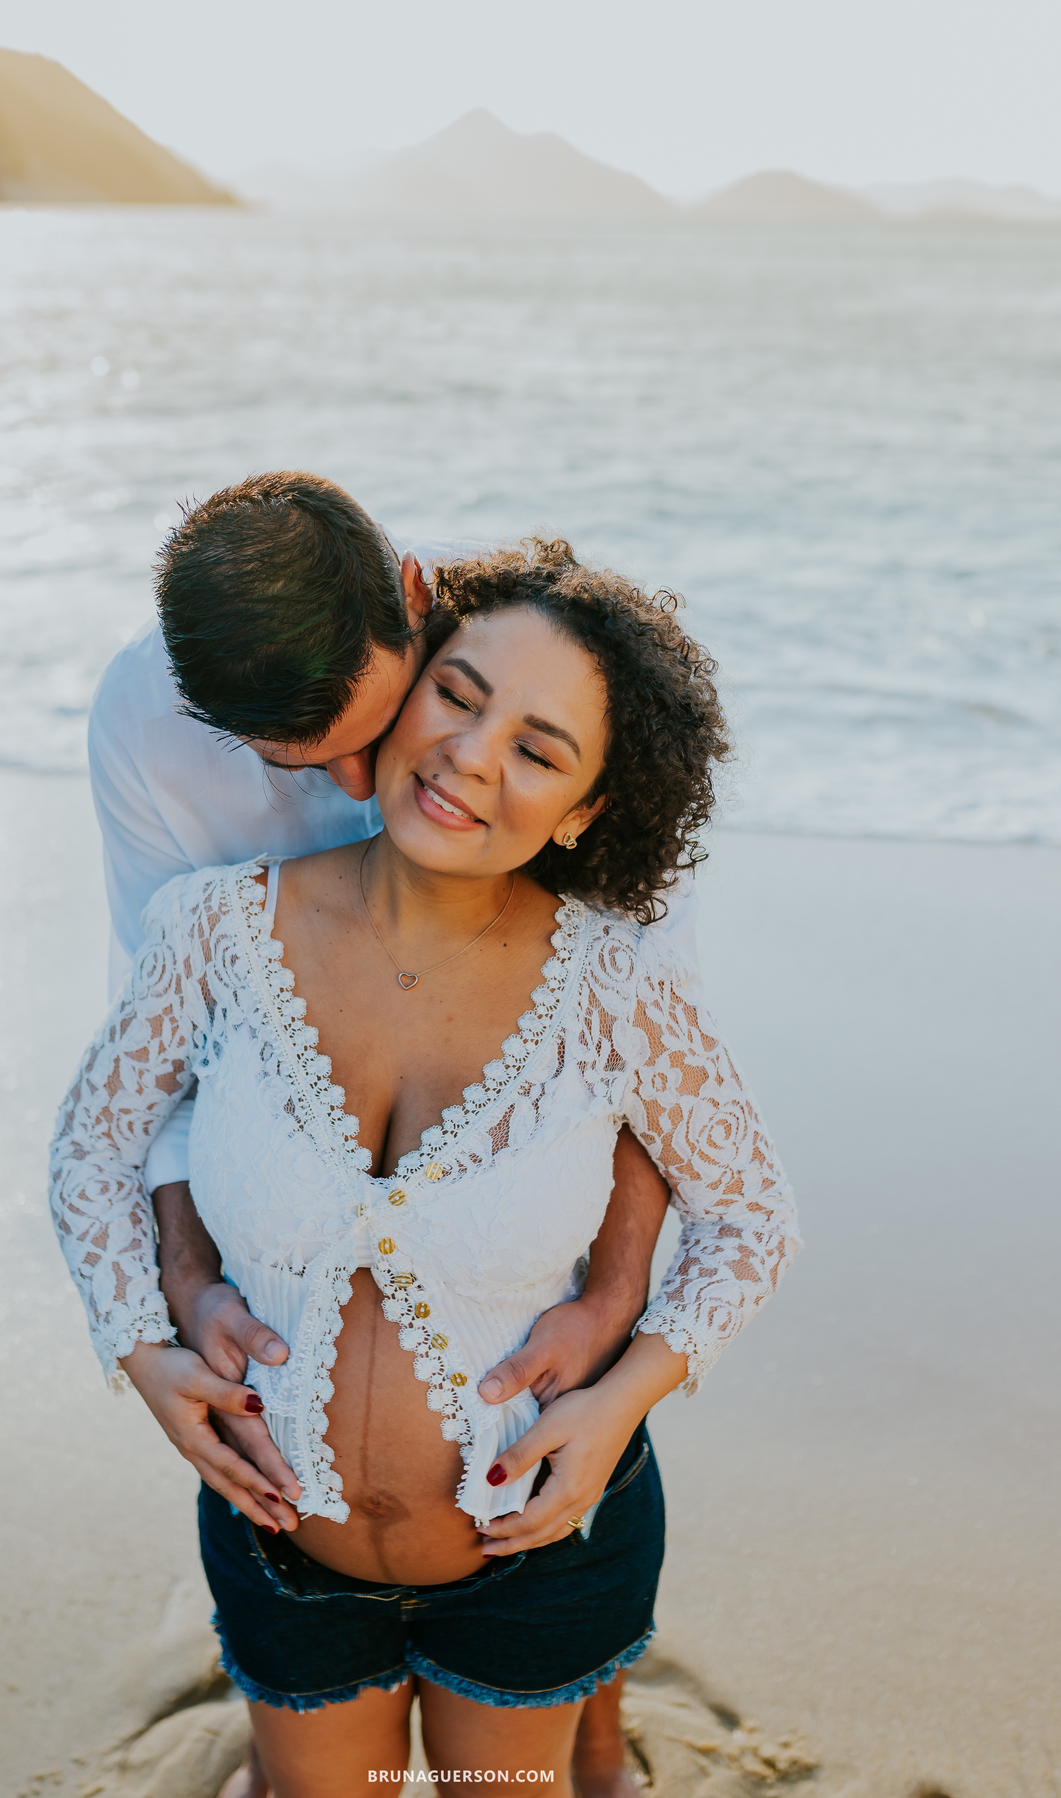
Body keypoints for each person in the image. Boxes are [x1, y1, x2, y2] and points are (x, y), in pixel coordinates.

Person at [53, 541, 800, 1796]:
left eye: (539, 750)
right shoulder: (212, 926)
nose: (469, 754)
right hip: (282, 1554)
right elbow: (95, 1147)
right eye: (456, 696)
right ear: (408, 685)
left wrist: (620, 1399)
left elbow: (751, 1214)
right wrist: (142, 1338)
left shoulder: (618, 983)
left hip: (540, 1567)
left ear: (581, 813)